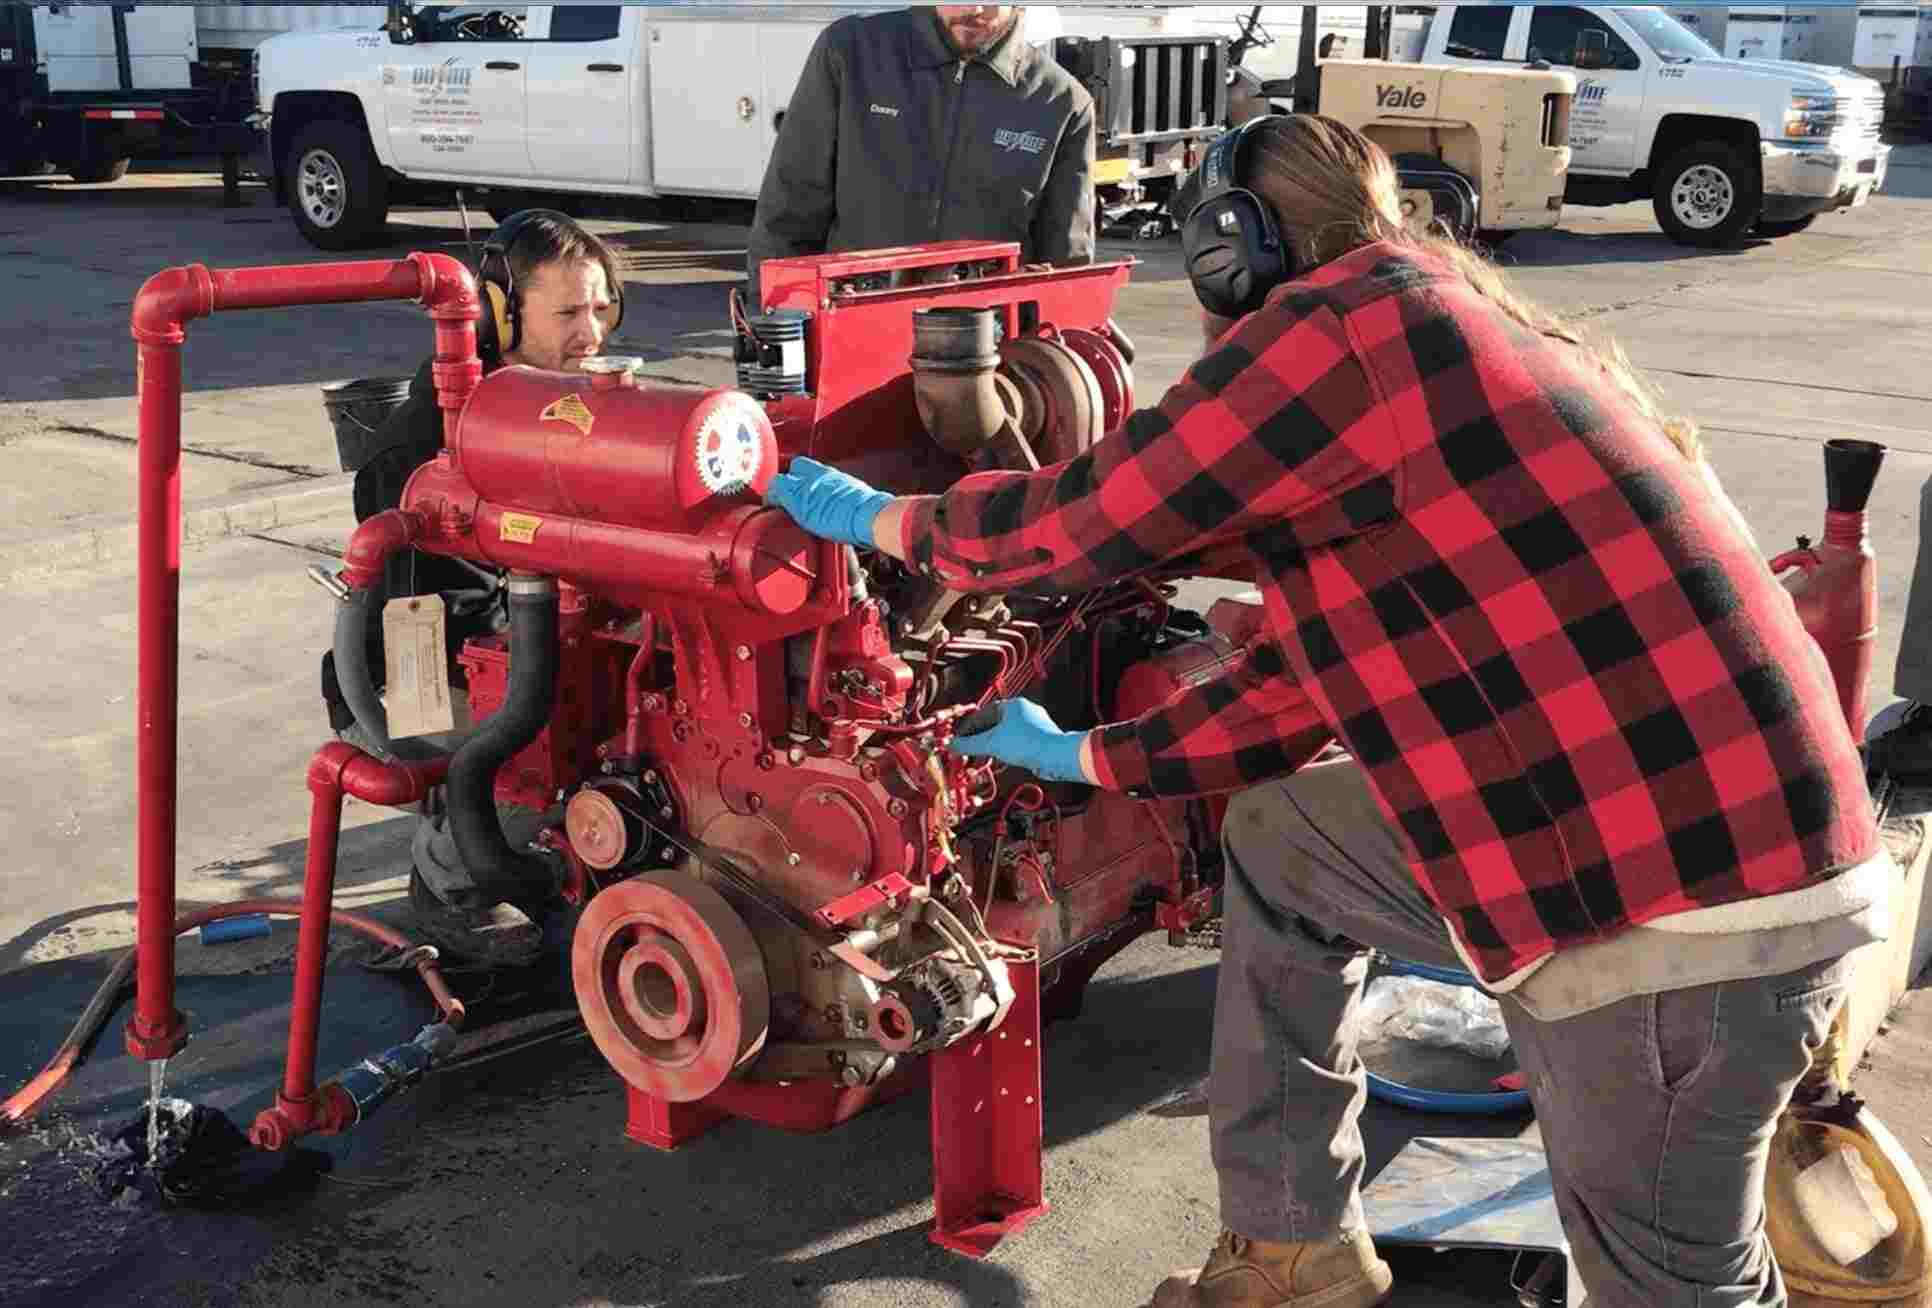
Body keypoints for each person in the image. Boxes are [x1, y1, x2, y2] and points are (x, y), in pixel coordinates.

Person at [764, 116, 1891, 1308]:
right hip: (1718, 837)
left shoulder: (1345, 331)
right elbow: (1294, 694)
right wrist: (1088, 755)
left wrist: (881, 522)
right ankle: (1297, 1243)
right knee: (1286, 842)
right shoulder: (1445, 315)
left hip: (1685, 919)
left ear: (1230, 249)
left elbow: (1088, 524)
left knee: (1675, 1283)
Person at [321, 208, 624, 960]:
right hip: (421, 675)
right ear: (498, 315)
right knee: (549, 732)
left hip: (524, 641)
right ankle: (450, 880)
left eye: (600, 307)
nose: (592, 332)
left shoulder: (569, 399)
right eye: (567, 313)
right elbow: (436, 644)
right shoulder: (430, 451)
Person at [745, 5, 1096, 302]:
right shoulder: (850, 52)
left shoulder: (1061, 102)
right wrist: (773, 316)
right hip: (853, 317)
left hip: (984, 343)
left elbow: (1067, 259)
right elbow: (791, 203)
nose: (971, 9)